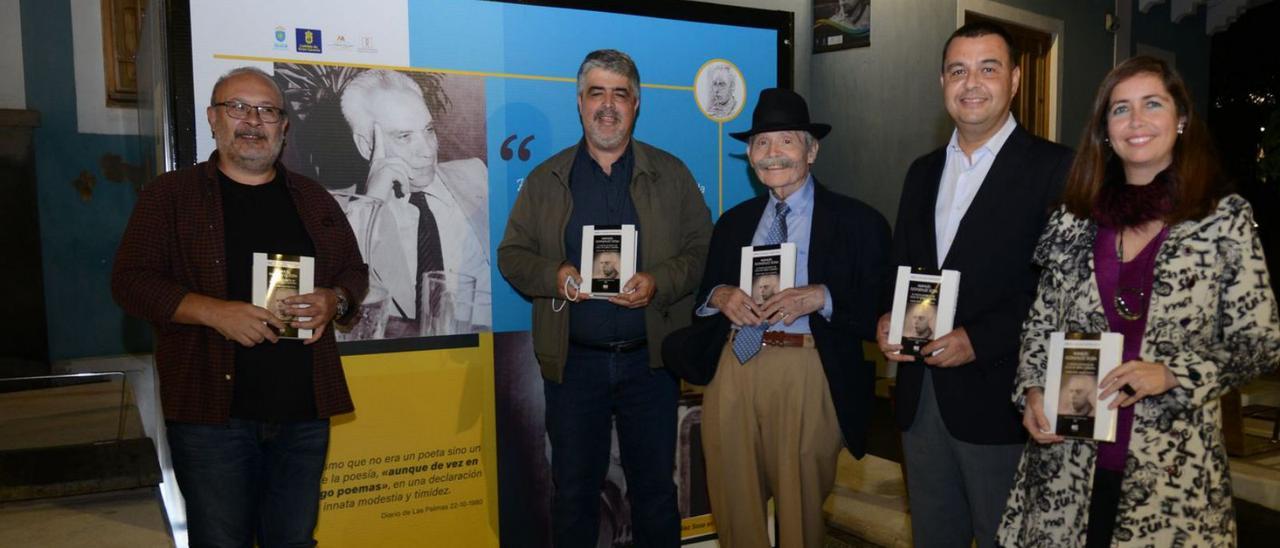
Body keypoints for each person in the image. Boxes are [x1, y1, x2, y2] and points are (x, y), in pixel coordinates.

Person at [997, 55, 1280, 548]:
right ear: (1105, 130)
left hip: (1171, 473)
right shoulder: (1072, 221)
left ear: (1181, 119)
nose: (1137, 121)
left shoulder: (1222, 221)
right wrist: (1033, 393)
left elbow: (1259, 342)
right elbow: (1039, 328)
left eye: (1153, 104)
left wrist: (1173, 371)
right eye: (1120, 109)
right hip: (1068, 469)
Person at [111, 66, 368, 546]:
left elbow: (354, 271)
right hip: (212, 416)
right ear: (213, 118)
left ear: (284, 126)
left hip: (303, 412)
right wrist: (213, 312)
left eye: (267, 111)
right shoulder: (170, 196)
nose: (253, 120)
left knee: (292, 541)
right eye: (238, 108)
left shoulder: (313, 199)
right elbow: (129, 282)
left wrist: (334, 299)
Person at [497, 49, 712, 548]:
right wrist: (558, 276)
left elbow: (703, 250)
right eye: (597, 93)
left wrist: (659, 280)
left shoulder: (672, 174)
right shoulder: (548, 179)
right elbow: (512, 255)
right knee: (572, 495)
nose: (608, 105)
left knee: (656, 494)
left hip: (650, 366)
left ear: (637, 104)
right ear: (580, 102)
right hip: (575, 367)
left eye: (620, 94)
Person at [875, 21, 1073, 548]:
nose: (972, 83)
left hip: (1004, 399)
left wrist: (978, 340)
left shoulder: (1057, 168)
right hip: (921, 401)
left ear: (1013, 79)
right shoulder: (921, 171)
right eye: (958, 70)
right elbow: (905, 269)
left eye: (988, 68)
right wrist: (888, 317)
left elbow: (1062, 290)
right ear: (943, 81)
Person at [691, 88, 889, 548]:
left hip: (807, 369)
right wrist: (720, 297)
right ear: (749, 156)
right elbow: (704, 292)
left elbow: (883, 308)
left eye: (786, 141)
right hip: (733, 369)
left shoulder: (859, 222)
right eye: (761, 143)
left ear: (812, 149)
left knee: (801, 512)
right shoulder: (734, 222)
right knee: (733, 502)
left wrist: (822, 296)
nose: (772, 154)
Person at [340, 68, 490, 335]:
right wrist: (373, 199)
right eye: (404, 136)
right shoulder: (347, 214)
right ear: (366, 146)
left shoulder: (476, 176)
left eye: (428, 130)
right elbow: (344, 307)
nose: (427, 150)